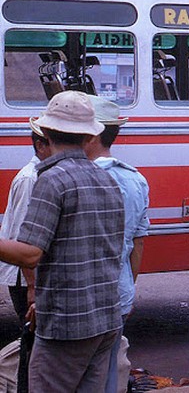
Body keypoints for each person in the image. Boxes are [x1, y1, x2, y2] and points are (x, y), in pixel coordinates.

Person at [0, 91, 124, 392]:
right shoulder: (107, 179)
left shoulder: (51, 180)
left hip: (68, 323)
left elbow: (30, 255)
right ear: (89, 136)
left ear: (46, 133)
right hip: (107, 318)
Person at [83, 96, 151, 393]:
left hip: (84, 296)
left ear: (92, 135)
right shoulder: (136, 179)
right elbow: (138, 243)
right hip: (120, 290)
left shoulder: (79, 177)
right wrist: (130, 287)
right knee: (110, 372)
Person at [0, 119, 50, 391]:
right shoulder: (32, 178)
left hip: (27, 275)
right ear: (40, 146)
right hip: (25, 277)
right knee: (33, 346)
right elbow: (24, 237)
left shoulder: (40, 174)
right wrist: (33, 287)